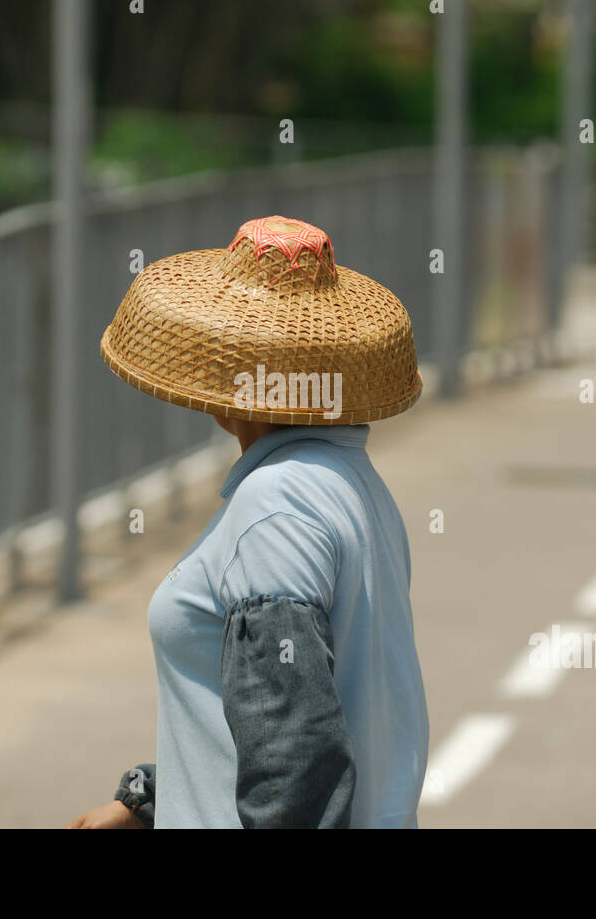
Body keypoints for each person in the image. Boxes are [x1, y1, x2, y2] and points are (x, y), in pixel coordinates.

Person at [67, 215, 430, 828]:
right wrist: (153, 800)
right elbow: (289, 715)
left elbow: (297, 755)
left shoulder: (275, 508)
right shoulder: (348, 484)